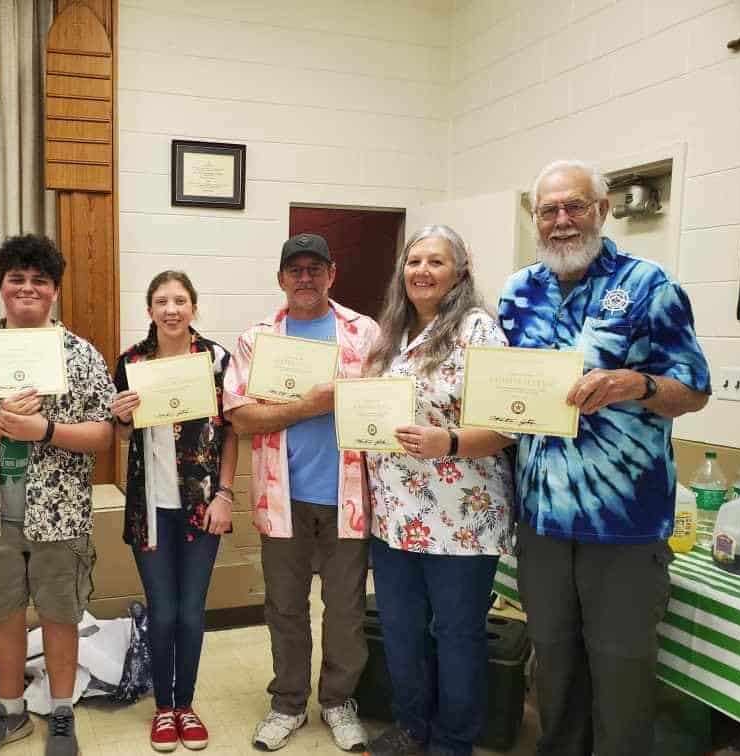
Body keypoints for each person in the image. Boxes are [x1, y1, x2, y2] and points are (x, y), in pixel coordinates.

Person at [499, 160, 710, 756]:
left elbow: (693, 390)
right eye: (549, 210)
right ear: (534, 218)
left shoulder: (650, 285)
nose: (562, 220)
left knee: (620, 677)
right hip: (540, 521)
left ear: (602, 210)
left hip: (624, 525)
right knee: (554, 668)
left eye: (575, 207)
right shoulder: (519, 291)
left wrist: (634, 385)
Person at [0, 235, 115, 756]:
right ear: (1, 287)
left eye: (39, 280)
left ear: (54, 291)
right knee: (3, 614)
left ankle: (62, 713)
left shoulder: (80, 355)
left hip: (59, 514)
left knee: (61, 614)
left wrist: (41, 430)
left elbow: (103, 435)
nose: (27, 288)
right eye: (17, 278)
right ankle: (10, 713)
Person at [360, 226, 515, 756]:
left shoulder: (479, 330)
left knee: (457, 635)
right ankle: (412, 728)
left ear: (461, 272)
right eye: (413, 261)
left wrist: (447, 440)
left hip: (462, 521)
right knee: (402, 632)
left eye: (436, 262)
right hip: (394, 517)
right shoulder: (389, 335)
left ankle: (453, 742)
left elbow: (507, 425)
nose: (421, 271)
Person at [223, 233, 379, 752]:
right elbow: (241, 417)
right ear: (281, 279)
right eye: (296, 270)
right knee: (285, 607)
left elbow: (384, 404)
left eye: (316, 269)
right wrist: (310, 406)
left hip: (349, 497)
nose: (305, 278)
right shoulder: (257, 339)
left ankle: (337, 701)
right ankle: (287, 702)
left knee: (345, 609)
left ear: (332, 274)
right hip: (282, 498)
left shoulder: (364, 333)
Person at [111, 270, 238, 753]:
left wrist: (225, 494)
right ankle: (163, 708)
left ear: (194, 307)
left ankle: (186, 705)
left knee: (190, 613)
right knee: (163, 613)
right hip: (150, 509)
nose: (171, 309)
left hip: (202, 506)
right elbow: (119, 435)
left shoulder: (216, 360)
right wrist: (121, 417)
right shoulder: (131, 362)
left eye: (180, 300)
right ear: (149, 310)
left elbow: (231, 431)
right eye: (161, 301)